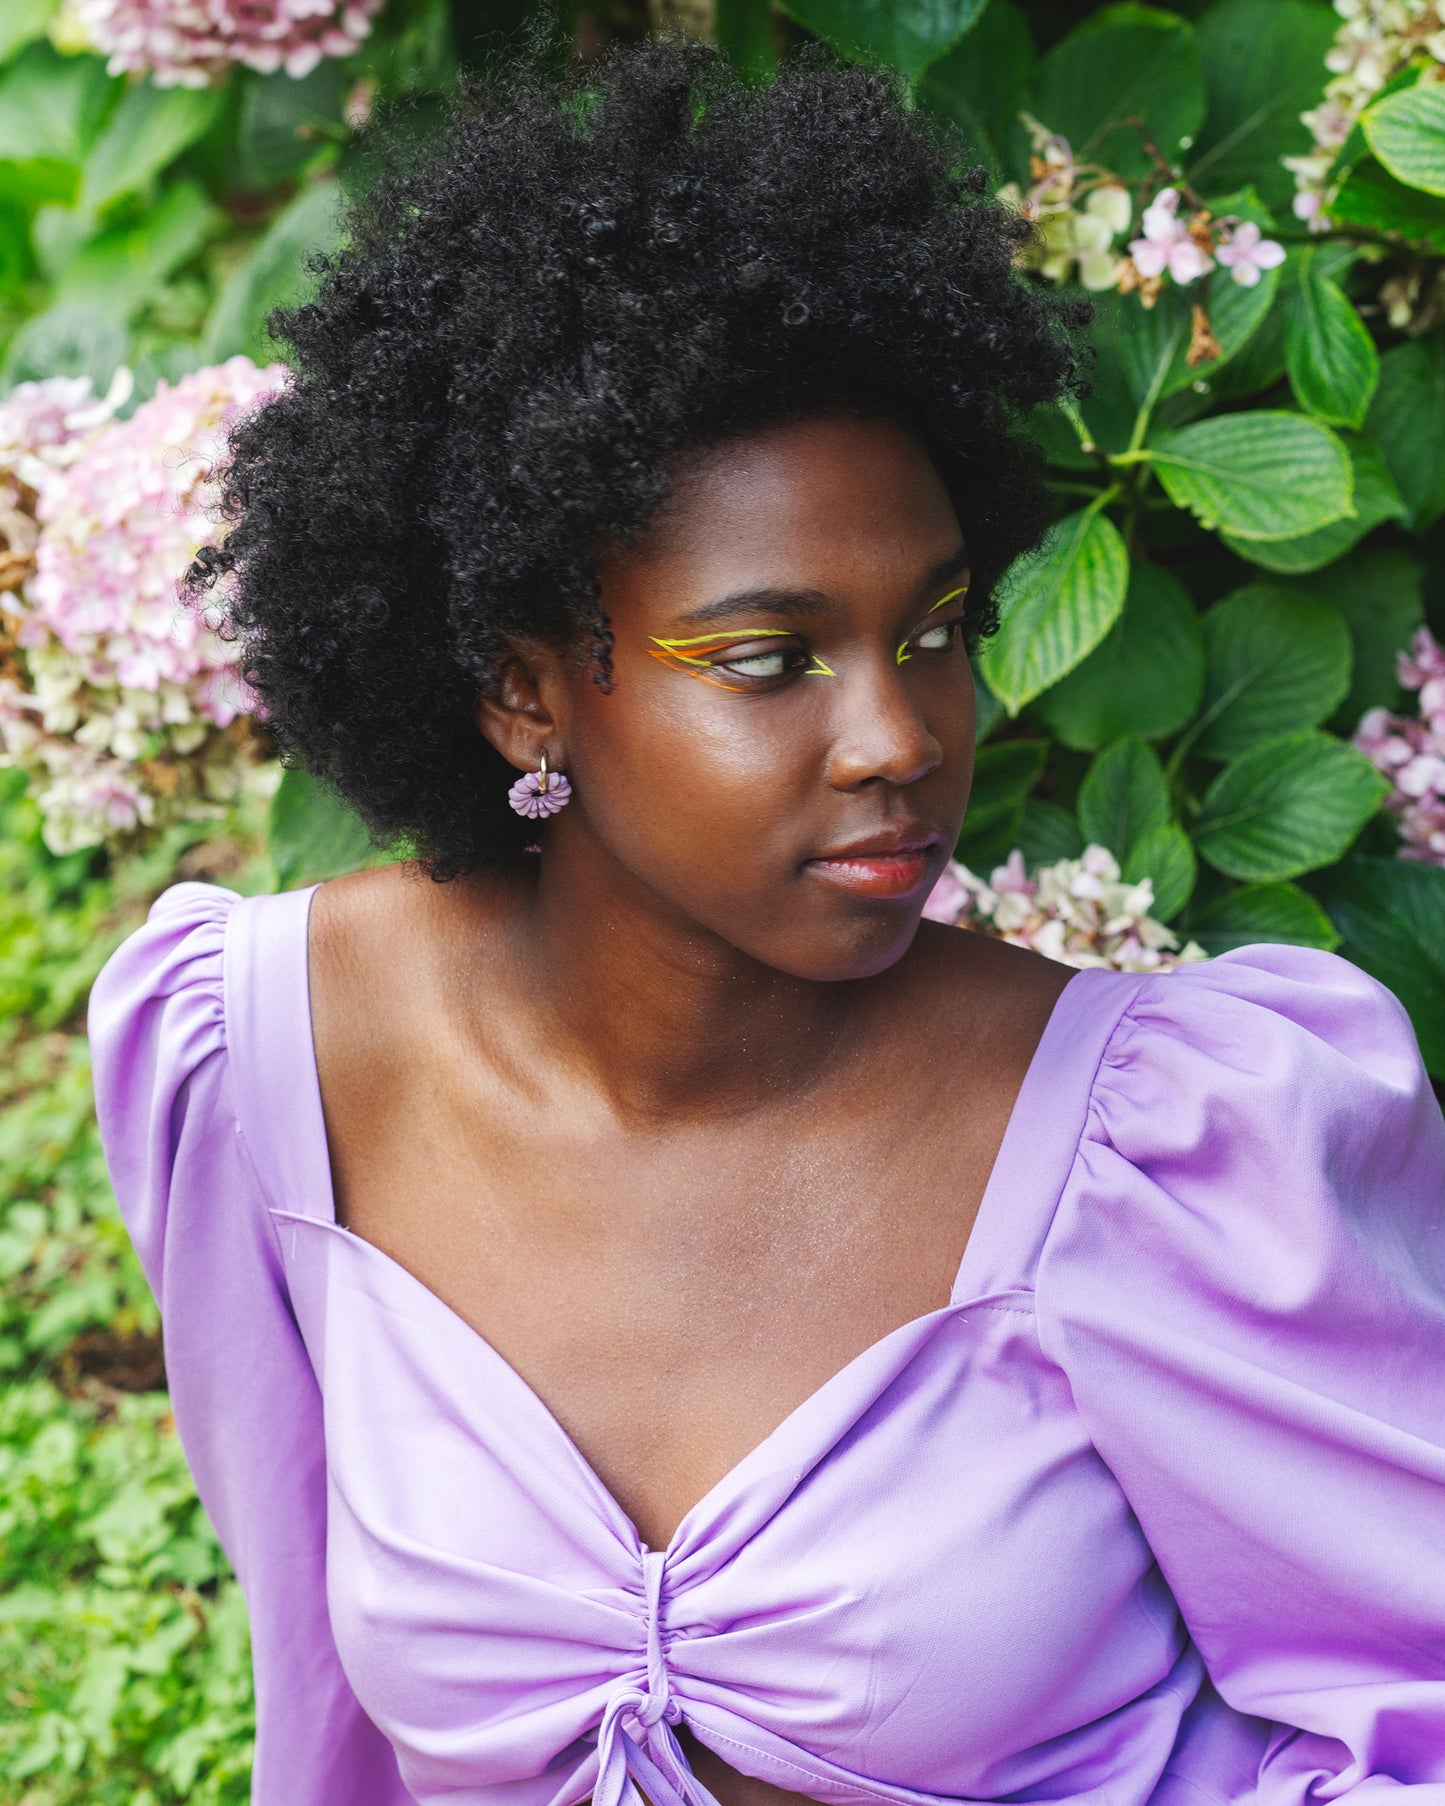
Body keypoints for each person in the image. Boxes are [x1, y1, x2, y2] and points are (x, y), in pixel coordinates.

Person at [88, 41, 1445, 1806]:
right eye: (768, 658)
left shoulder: (1162, 1150)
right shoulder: (267, 1061)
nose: (901, 738)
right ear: (522, 693)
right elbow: (327, 1718)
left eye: (937, 628)